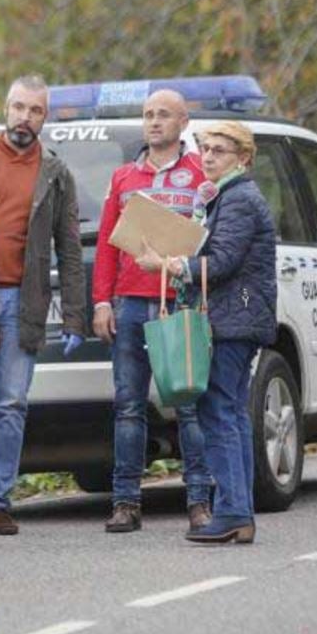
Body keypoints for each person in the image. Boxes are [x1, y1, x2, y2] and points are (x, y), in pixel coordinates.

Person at [0, 74, 88, 536]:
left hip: (23, 300)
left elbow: (69, 249)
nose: (24, 118)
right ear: (4, 107)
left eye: (34, 111)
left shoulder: (56, 173)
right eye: (18, 107)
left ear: (44, 117)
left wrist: (75, 316)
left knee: (11, 403)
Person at [137, 120, 276, 544]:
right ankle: (239, 510)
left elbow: (222, 262)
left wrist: (167, 265)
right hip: (234, 316)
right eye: (205, 149)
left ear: (244, 159)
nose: (209, 157)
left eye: (219, 150)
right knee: (231, 412)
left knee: (220, 411)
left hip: (236, 318)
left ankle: (233, 510)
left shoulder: (239, 199)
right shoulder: (225, 198)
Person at [92, 89, 213, 533]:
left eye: (164, 115)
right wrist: (102, 301)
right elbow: (107, 244)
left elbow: (215, 236)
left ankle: (200, 499)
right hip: (131, 303)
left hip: (181, 302)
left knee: (189, 403)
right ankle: (126, 501)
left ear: (184, 122)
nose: (154, 122)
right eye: (148, 115)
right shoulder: (124, 176)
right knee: (128, 405)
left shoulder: (201, 172)